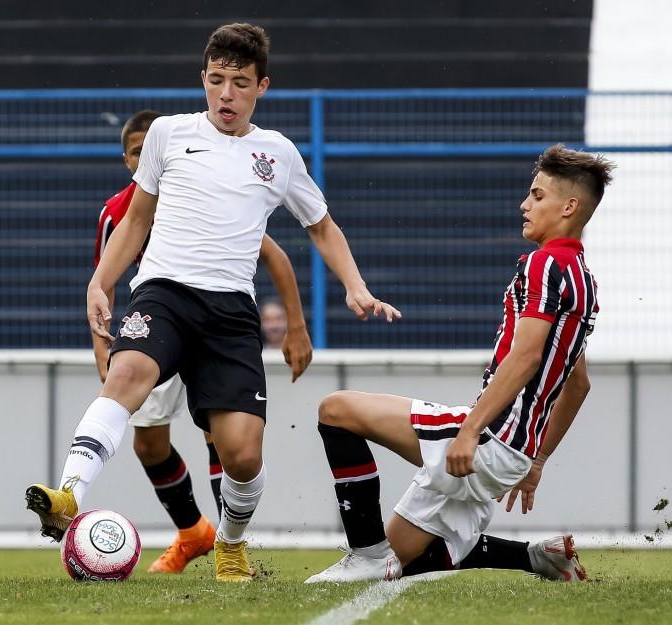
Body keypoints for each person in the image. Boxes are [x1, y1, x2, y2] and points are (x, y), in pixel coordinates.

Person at [25, 22, 399, 583]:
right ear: (203, 79)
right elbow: (137, 218)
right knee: (126, 374)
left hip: (230, 312)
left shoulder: (278, 154)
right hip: (165, 293)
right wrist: (99, 282)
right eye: (218, 80)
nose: (227, 94)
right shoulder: (168, 135)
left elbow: (321, 227)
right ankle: (69, 493)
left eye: (241, 83)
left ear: (261, 87)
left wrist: (355, 285)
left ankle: (229, 543)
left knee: (243, 456)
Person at [304, 144, 615, 583]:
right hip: (515, 450)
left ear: (569, 206)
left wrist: (470, 432)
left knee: (336, 411)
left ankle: (365, 555)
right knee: (400, 557)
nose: (524, 205)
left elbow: (526, 358)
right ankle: (537, 557)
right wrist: (537, 461)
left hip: (491, 436)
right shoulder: (583, 277)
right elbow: (577, 383)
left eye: (537, 195)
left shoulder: (545, 265)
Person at [90, 110, 313, 574]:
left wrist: (296, 326)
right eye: (133, 151)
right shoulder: (117, 213)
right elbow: (104, 285)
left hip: (213, 323)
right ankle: (193, 532)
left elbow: (276, 257)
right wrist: (103, 358)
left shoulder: (205, 190)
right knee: (148, 445)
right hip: (157, 327)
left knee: (223, 437)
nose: (140, 158)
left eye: (143, 149)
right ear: (129, 157)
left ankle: (232, 545)